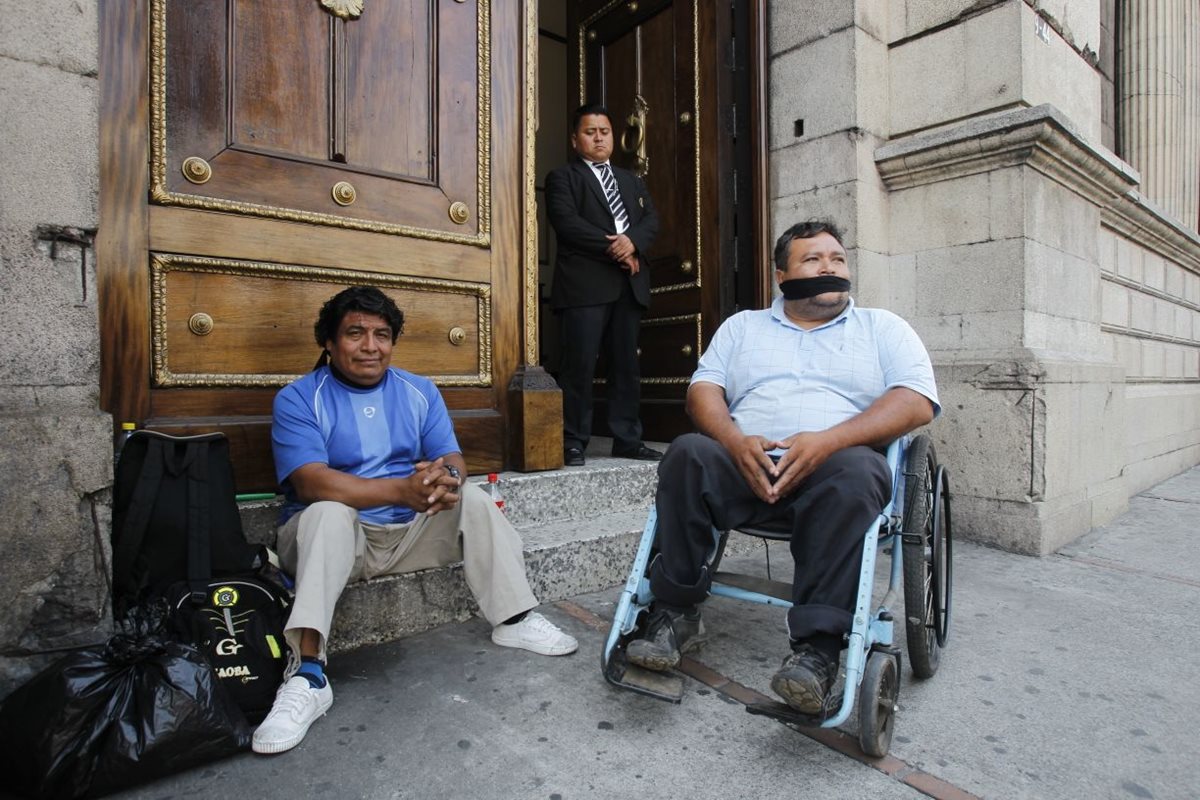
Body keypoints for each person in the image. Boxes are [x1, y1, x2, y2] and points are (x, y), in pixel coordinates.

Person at [625, 220, 940, 715]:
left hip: (833, 473)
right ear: (781, 276)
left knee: (860, 470)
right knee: (687, 453)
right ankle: (673, 613)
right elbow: (703, 390)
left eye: (837, 259)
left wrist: (828, 441)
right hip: (744, 465)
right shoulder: (742, 328)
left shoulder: (883, 328)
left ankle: (817, 652)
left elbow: (917, 401)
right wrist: (734, 441)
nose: (830, 267)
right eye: (813, 260)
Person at [254, 286, 578, 755]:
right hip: (337, 541)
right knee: (326, 512)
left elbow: (452, 458)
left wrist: (445, 480)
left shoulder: (419, 390)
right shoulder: (299, 398)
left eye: (382, 335)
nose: (371, 346)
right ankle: (307, 674)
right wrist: (400, 490)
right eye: (355, 334)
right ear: (329, 341)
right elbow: (309, 482)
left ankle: (514, 618)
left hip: (407, 532)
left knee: (472, 499)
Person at [545, 103, 662, 467]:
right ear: (575, 139)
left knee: (626, 366)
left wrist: (633, 243)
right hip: (584, 285)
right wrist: (617, 247)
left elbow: (651, 220)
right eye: (590, 132)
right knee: (579, 366)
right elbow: (567, 223)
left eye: (604, 132)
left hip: (629, 285)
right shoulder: (563, 178)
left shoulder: (632, 181)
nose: (598, 138)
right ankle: (572, 440)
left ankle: (628, 440)